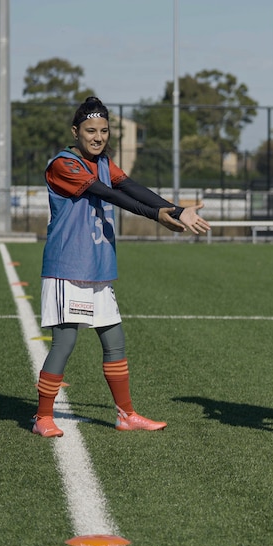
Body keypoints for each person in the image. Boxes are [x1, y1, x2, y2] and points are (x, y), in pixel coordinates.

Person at [32, 96, 211, 438]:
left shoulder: (105, 162)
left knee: (115, 342)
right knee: (64, 344)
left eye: (104, 130)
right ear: (76, 131)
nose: (98, 137)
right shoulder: (63, 164)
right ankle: (42, 417)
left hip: (99, 269)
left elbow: (131, 187)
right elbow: (110, 195)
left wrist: (174, 210)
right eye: (90, 131)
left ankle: (126, 415)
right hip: (68, 268)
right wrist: (156, 215)